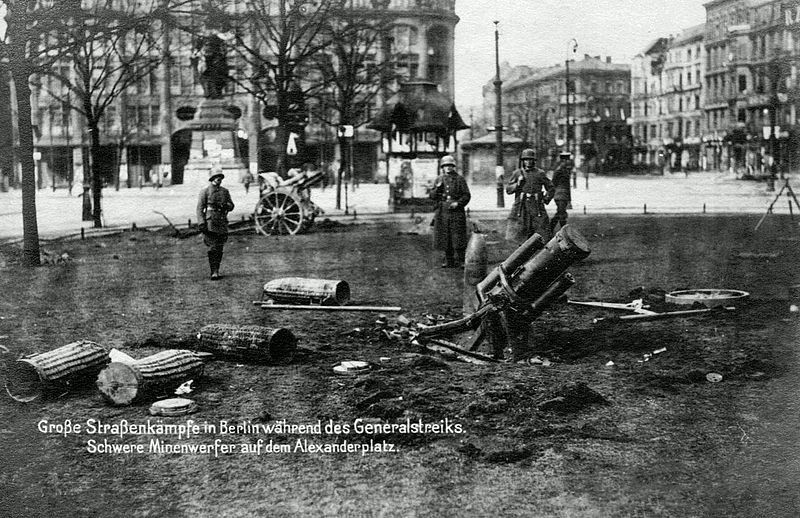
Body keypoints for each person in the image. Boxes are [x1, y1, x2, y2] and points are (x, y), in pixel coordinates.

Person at [506, 148, 554, 243]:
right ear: (523, 161)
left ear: (534, 161)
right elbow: (508, 190)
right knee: (520, 228)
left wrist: (546, 198)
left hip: (536, 205)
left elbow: (551, 188)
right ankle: (522, 249)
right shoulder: (517, 173)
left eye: (530, 159)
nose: (528, 162)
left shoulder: (540, 173)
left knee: (541, 227)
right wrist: (517, 184)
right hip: (521, 205)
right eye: (526, 160)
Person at [431, 155, 471, 268]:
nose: (448, 168)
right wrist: (437, 189)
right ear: (442, 167)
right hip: (443, 211)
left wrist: (458, 203)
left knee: (458, 236)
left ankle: (461, 260)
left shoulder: (459, 179)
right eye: (445, 166)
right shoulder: (439, 179)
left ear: (453, 167)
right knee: (445, 236)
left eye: (450, 166)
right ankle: (449, 260)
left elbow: (466, 195)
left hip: (456, 212)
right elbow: (432, 196)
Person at [196, 167, 235, 280]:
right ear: (212, 178)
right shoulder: (205, 191)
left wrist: (227, 206)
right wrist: (201, 222)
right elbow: (199, 208)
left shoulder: (225, 191)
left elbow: (231, 205)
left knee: (219, 247)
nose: (219, 179)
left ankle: (217, 269)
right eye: (216, 177)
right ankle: (213, 271)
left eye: (220, 177)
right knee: (212, 248)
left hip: (222, 221)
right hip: (210, 222)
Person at [549, 152, 573, 234]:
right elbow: (553, 184)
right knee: (562, 214)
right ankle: (563, 232)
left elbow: (568, 186)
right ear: (562, 161)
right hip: (559, 195)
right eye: (566, 160)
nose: (568, 162)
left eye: (568, 160)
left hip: (564, 195)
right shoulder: (558, 171)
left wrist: (569, 200)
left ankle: (550, 229)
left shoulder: (566, 171)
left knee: (560, 213)